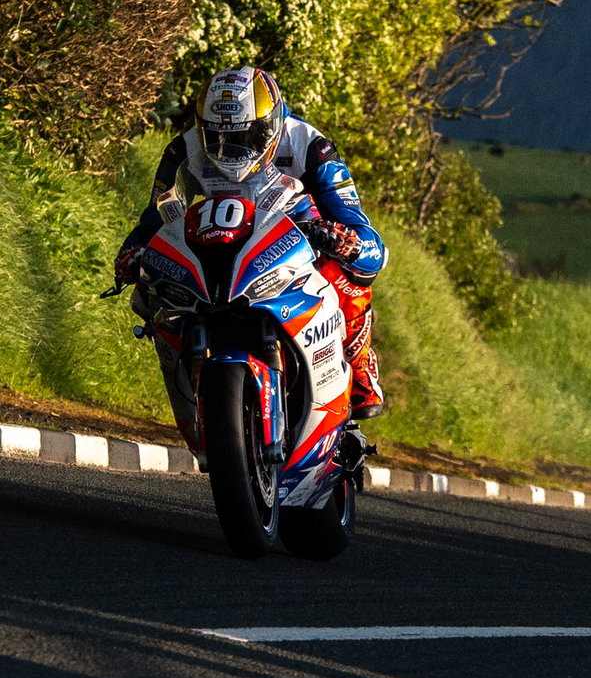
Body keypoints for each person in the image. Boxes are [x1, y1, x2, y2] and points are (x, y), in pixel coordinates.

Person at [115, 66, 387, 420]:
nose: (231, 149)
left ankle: (359, 356)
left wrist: (346, 242)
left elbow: (367, 240)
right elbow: (154, 219)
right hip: (216, 243)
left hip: (293, 239)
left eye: (248, 136)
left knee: (344, 270)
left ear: (272, 124)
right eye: (218, 136)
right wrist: (132, 253)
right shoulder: (183, 149)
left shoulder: (310, 145)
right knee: (149, 287)